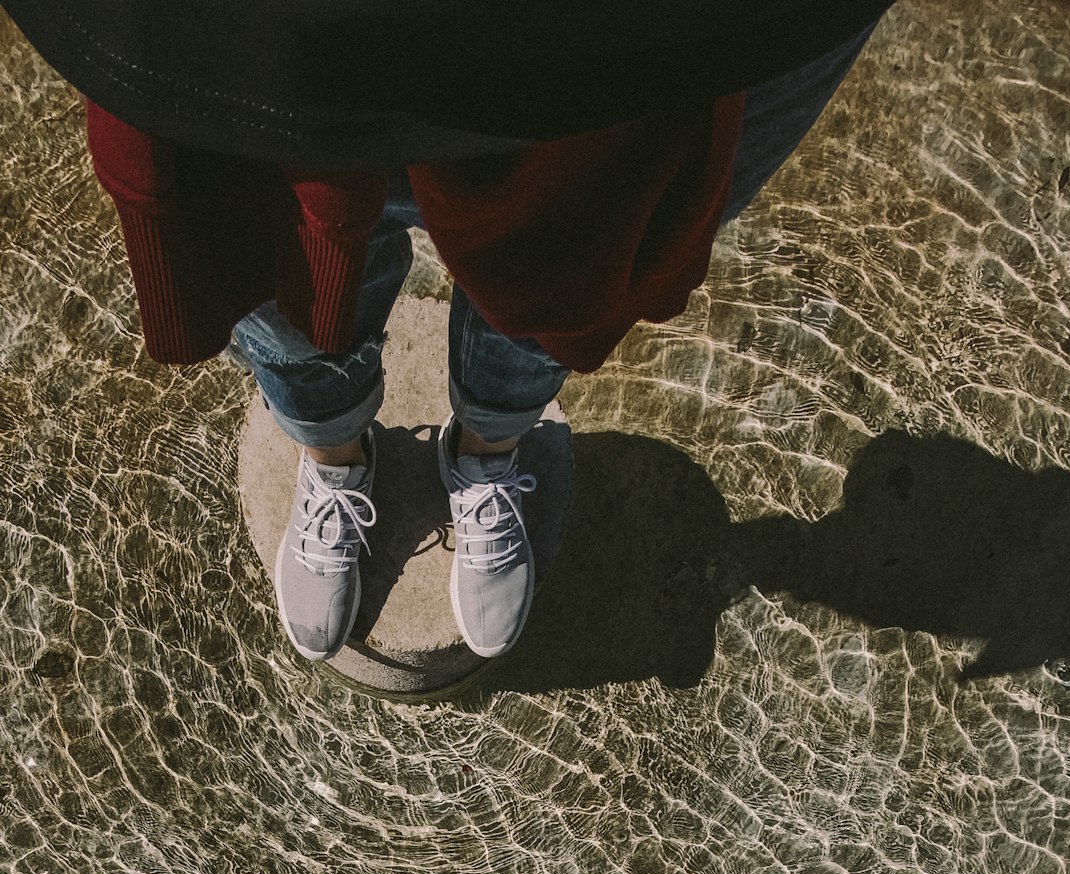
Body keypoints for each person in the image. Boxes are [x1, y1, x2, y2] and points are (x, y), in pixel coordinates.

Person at [6, 0, 892, 670]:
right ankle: (335, 461)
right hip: (253, 43)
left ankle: (485, 455)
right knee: (279, 264)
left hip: (626, 47)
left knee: (571, 268)